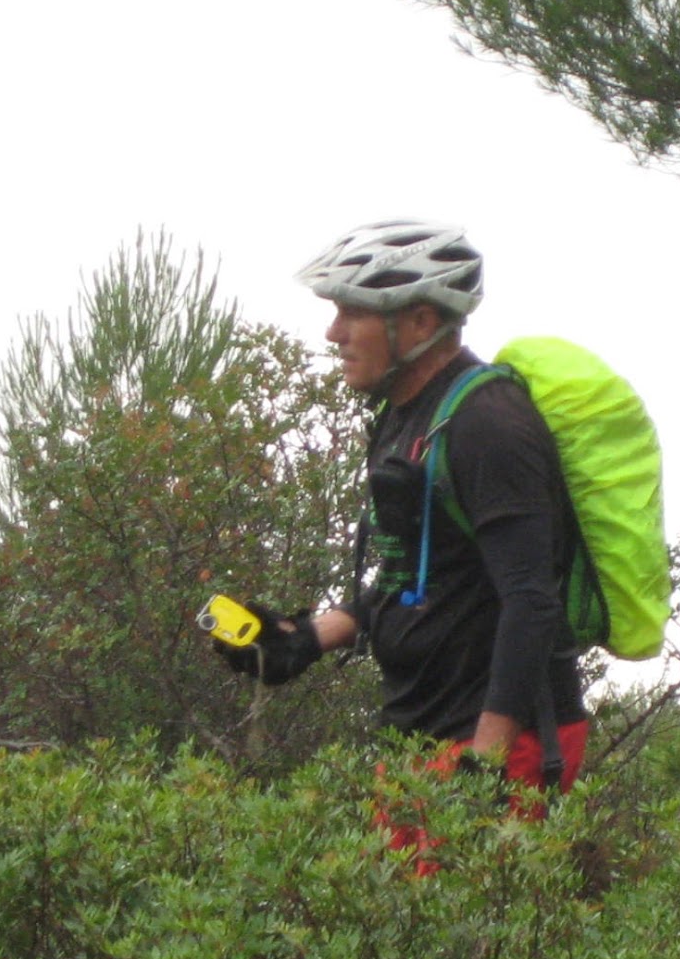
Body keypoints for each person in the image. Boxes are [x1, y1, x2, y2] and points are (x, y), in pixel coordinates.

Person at [216, 220, 590, 797]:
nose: (333, 333)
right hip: (417, 739)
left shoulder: (489, 422)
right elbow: (417, 573)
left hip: (498, 743)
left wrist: (485, 763)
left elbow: (532, 600)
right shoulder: (404, 415)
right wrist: (307, 638)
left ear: (421, 321)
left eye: (353, 312)